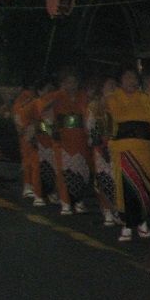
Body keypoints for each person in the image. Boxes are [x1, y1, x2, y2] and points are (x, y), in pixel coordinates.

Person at [105, 68, 150, 241]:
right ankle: (128, 224)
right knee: (127, 187)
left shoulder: (145, 98)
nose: (131, 81)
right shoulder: (112, 98)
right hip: (123, 149)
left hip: (145, 150)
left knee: (144, 186)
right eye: (127, 77)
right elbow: (113, 121)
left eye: (134, 78)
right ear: (120, 81)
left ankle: (142, 222)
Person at [38, 71, 92, 215]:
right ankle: (66, 202)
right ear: (62, 83)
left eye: (74, 81)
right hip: (62, 139)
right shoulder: (56, 96)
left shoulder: (83, 96)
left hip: (80, 138)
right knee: (63, 171)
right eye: (68, 82)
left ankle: (79, 201)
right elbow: (42, 109)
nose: (71, 85)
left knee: (81, 170)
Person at [88, 77, 118, 225]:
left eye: (114, 85)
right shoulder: (95, 106)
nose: (112, 89)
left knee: (116, 179)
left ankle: (116, 209)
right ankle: (106, 210)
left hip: (116, 146)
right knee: (103, 178)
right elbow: (91, 127)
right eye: (109, 86)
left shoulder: (118, 103)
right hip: (101, 147)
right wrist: (99, 144)